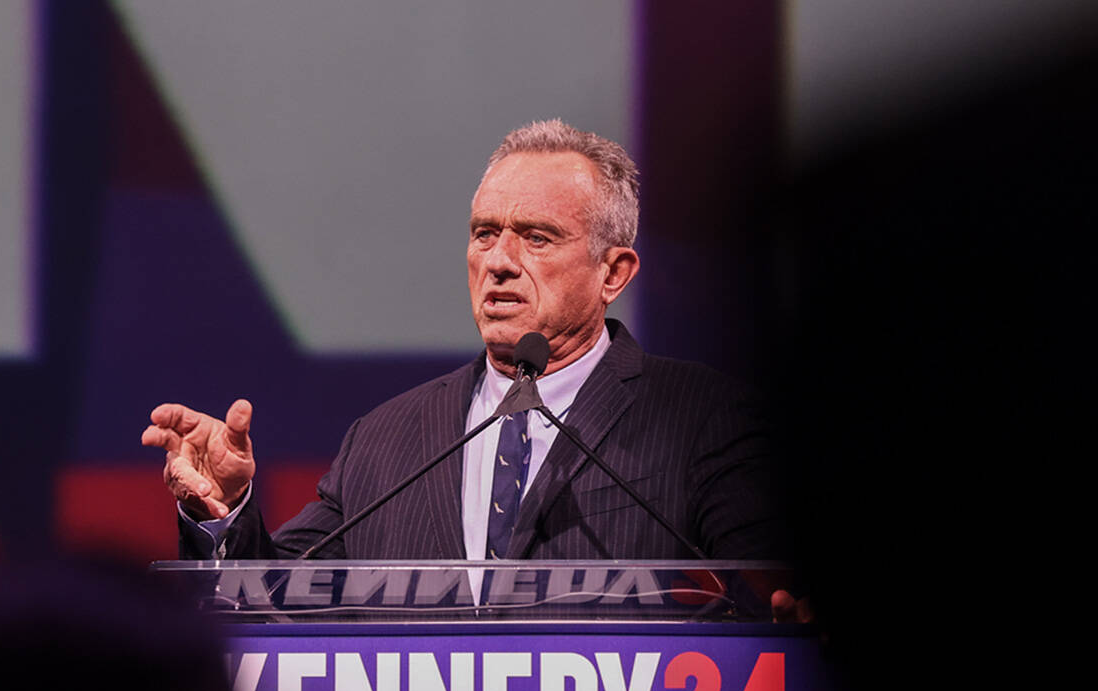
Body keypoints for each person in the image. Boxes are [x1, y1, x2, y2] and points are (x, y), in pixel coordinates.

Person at [142, 120, 802, 617]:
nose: (499, 261)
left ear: (614, 271)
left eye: (536, 238)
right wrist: (225, 511)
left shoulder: (702, 419)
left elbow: (773, 603)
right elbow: (277, 606)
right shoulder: (388, 437)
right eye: (485, 234)